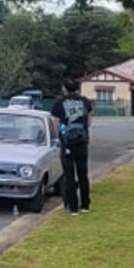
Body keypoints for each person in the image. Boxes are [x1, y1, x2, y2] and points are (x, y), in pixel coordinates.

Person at [50, 77, 93, 215]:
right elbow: (89, 120)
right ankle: (85, 204)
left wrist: (60, 136)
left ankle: (73, 207)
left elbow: (56, 122)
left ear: (65, 89)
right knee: (83, 173)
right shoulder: (84, 101)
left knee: (69, 174)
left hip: (67, 143)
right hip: (82, 141)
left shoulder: (59, 103)